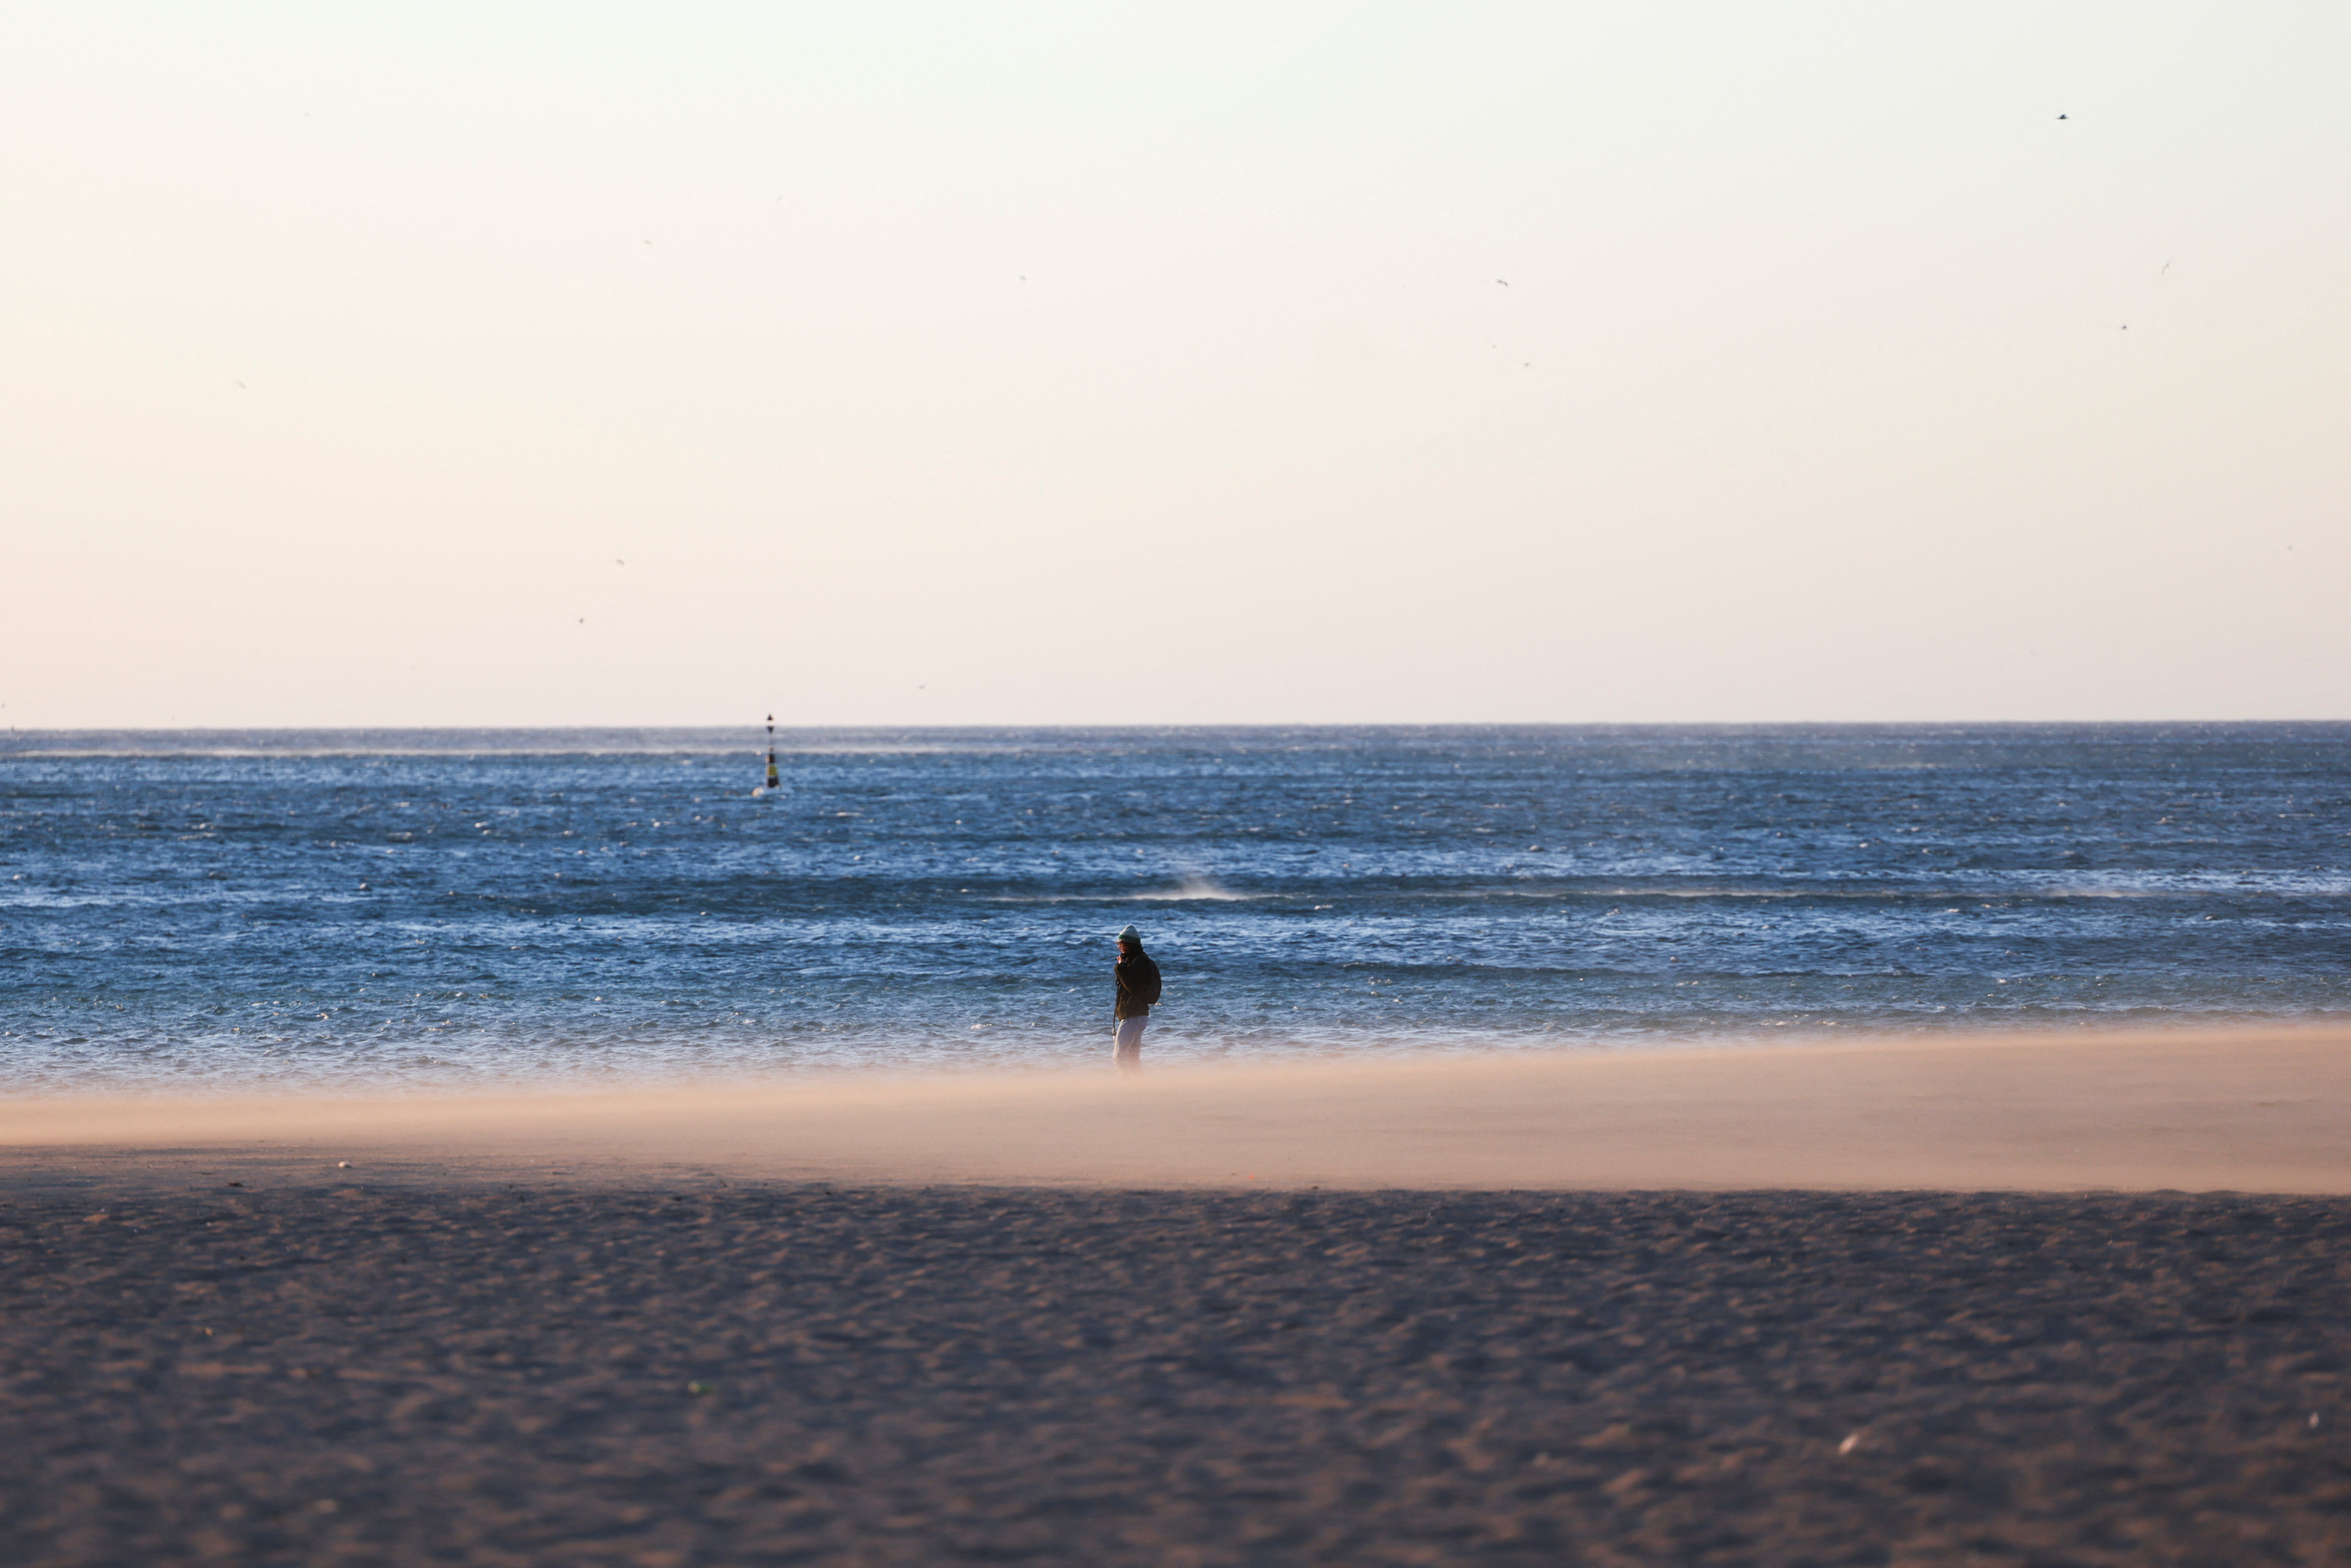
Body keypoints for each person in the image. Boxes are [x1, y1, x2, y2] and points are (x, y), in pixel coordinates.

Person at [1111, 924, 1161, 1072]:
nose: (1120, 948)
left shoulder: (1141, 962)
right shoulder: (1138, 961)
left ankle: (1128, 1089)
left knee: (1120, 1056)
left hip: (1134, 1015)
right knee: (1132, 1057)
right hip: (1137, 1015)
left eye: (1122, 945)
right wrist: (1124, 967)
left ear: (1127, 945)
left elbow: (1133, 987)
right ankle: (1139, 1088)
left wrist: (1121, 968)